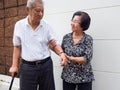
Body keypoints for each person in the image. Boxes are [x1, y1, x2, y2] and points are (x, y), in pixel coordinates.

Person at [9, 0, 67, 90]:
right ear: (28, 10)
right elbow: (17, 46)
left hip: (46, 66)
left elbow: (53, 43)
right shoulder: (19, 25)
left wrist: (61, 53)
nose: (41, 14)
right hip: (27, 67)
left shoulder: (46, 25)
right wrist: (14, 65)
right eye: (38, 10)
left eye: (42, 11)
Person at [61, 11, 95, 90]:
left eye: (75, 22)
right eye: (72, 20)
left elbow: (86, 58)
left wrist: (70, 58)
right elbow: (62, 53)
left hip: (84, 77)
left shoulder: (88, 39)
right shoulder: (66, 37)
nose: (72, 23)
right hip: (68, 76)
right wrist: (63, 59)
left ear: (83, 25)